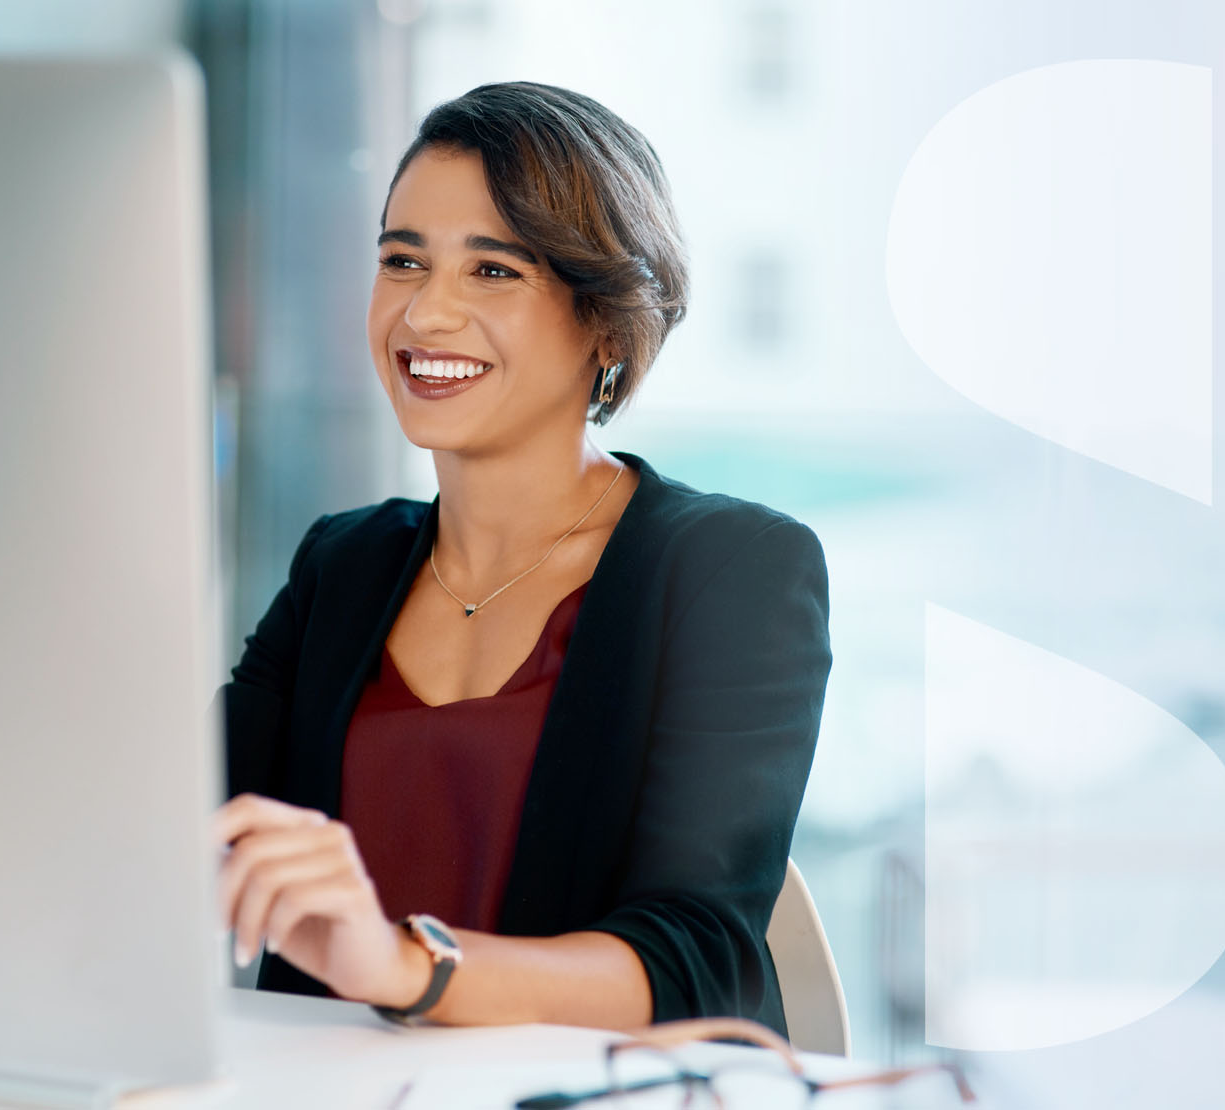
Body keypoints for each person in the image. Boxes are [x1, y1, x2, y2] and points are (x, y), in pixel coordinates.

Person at [215, 81, 831, 1034]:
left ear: (604, 318)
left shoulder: (734, 570)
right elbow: (183, 826)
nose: (425, 315)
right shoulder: (341, 564)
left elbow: (695, 956)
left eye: (493, 271)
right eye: (403, 260)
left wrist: (399, 965)